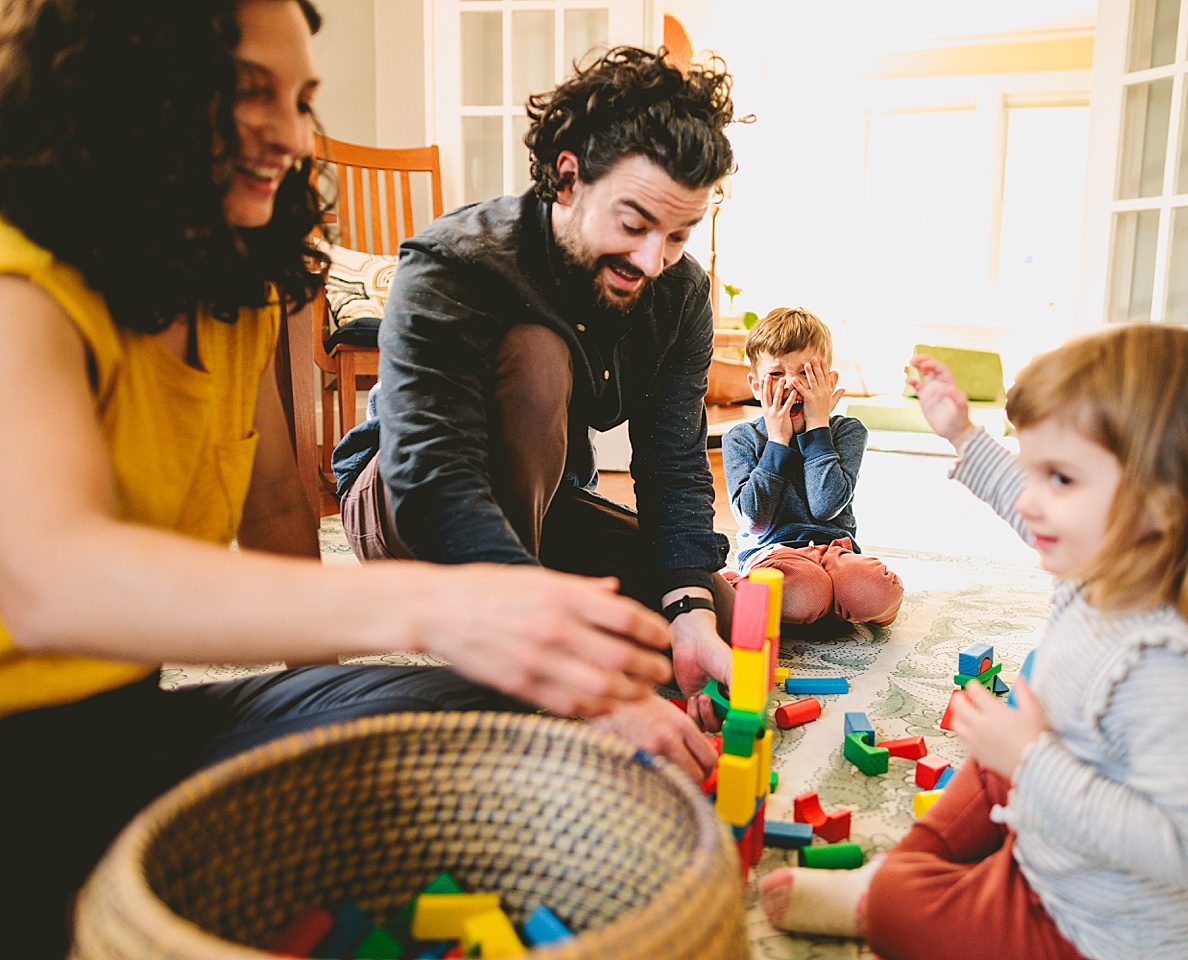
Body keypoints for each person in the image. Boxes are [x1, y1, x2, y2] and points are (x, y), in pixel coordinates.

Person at [0, 2, 681, 955]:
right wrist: (432, 607)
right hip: (18, 756)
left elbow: (278, 506)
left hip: (135, 725)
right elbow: (43, 580)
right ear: (128, 85)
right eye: (251, 92)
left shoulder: (243, 274)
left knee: (505, 715)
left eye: (304, 98)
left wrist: (318, 758)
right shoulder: (19, 281)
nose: (293, 134)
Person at [758, 325, 1188, 960]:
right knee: (990, 760)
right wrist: (960, 434)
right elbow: (1020, 499)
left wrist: (1031, 761)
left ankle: (880, 897)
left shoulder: (1168, 674)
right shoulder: (1115, 559)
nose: (1030, 502)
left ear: (1161, 504)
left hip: (1091, 927)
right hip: (1058, 823)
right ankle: (912, 871)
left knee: (903, 902)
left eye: (1059, 479)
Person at [331, 46, 739, 730]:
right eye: (634, 224)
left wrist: (689, 611)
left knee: (698, 605)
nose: (652, 260)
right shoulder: (453, 262)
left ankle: (540, 603)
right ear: (568, 178)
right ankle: (507, 645)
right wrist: (544, 647)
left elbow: (672, 467)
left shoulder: (681, 294)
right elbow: (432, 478)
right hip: (405, 502)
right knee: (538, 353)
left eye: (677, 235)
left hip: (541, 508)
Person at [721, 307, 903, 627]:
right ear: (755, 384)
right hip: (773, 555)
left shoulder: (847, 430)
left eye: (806, 372)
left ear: (829, 382)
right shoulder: (741, 438)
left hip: (837, 552)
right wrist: (778, 441)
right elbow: (754, 520)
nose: (792, 384)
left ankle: (820, 600)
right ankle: (749, 589)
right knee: (806, 590)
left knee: (875, 591)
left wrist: (818, 427)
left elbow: (825, 506)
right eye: (776, 374)